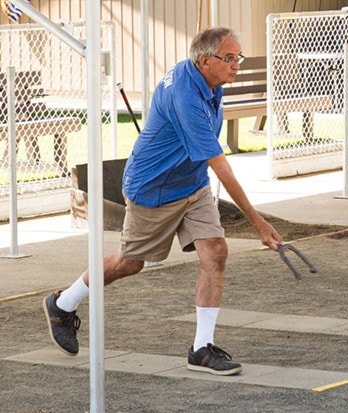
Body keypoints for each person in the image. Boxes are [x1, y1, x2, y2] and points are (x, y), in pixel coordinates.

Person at [42, 27, 284, 376]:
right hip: (154, 189)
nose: (237, 66)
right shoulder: (186, 97)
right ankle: (62, 304)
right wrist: (258, 223)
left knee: (216, 251)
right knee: (130, 264)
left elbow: (208, 164)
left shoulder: (205, 79)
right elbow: (223, 169)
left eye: (238, 57)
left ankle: (201, 349)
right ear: (205, 60)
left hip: (192, 183)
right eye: (229, 58)